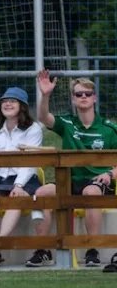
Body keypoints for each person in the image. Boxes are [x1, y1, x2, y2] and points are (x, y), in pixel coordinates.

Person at [31, 69, 117, 267]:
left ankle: (92, 249)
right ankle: (42, 249)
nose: (83, 97)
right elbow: (44, 118)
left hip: (97, 182)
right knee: (41, 192)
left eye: (87, 94)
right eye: (79, 94)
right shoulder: (68, 123)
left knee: (91, 192)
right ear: (74, 99)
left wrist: (109, 174)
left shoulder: (109, 129)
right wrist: (45, 95)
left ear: (94, 98)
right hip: (69, 181)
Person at [0, 87, 43, 266]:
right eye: (5, 101)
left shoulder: (33, 129)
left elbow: (29, 163)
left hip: (25, 180)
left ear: (22, 106)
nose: (8, 104)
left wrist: (19, 185)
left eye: (13, 101)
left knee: (16, 198)